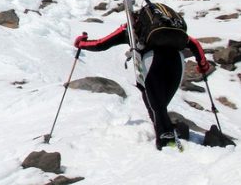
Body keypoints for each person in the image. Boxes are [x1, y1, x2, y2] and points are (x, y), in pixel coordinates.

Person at [74, 8, 211, 149]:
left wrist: (81, 43)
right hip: (177, 62)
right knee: (158, 105)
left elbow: (101, 44)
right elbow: (194, 43)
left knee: (156, 105)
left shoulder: (132, 29)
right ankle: (167, 131)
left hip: (153, 61)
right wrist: (203, 64)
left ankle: (166, 141)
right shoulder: (169, 28)